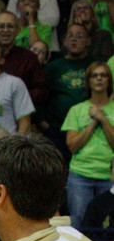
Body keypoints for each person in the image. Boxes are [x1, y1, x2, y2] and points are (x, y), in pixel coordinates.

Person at [63, 61, 114, 225]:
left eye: (103, 75)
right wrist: (93, 122)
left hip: (110, 176)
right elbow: (72, 146)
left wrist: (103, 119)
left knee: (108, 230)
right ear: (88, 81)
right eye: (95, 75)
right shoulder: (76, 110)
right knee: (79, 226)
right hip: (80, 176)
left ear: (109, 81)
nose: (99, 79)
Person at [41, 22, 93, 156]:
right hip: (57, 131)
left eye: (79, 36)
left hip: (89, 128)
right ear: (64, 41)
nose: (74, 39)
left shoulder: (95, 65)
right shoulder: (53, 67)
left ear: (88, 41)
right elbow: (40, 96)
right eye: (70, 36)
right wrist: (44, 124)